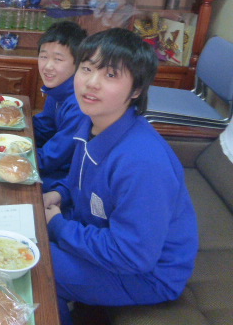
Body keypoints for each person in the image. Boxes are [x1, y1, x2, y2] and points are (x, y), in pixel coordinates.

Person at [43, 28, 198, 325]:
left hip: (146, 275)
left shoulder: (143, 161)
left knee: (34, 265)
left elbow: (133, 255)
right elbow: (79, 181)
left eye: (111, 75)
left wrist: (59, 227)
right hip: (101, 235)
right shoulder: (94, 122)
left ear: (136, 90)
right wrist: (60, 193)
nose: (92, 82)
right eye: (87, 68)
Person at [33, 21, 87, 191]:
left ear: (77, 63)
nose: (48, 66)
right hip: (54, 166)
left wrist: (7, 156)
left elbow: (50, 159)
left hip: (67, 181)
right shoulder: (59, 89)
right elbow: (44, 128)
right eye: (43, 57)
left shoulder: (80, 104)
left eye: (58, 59)